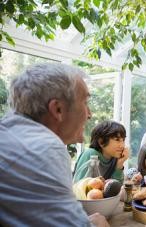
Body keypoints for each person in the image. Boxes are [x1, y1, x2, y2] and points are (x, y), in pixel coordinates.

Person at [0, 63, 109, 227]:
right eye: (85, 102)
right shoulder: (43, 147)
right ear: (57, 109)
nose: (90, 114)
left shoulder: (11, 134)